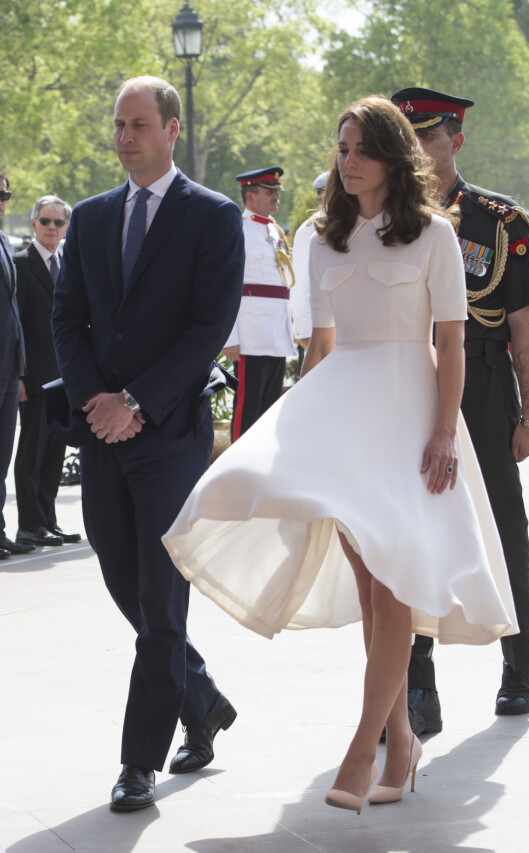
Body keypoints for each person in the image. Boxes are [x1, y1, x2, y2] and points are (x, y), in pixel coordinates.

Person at [164, 95, 517, 813]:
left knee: (390, 584)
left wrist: (445, 430)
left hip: (411, 415)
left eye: (359, 149)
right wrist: (291, 431)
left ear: (391, 157)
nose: (346, 160)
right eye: (341, 147)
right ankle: (401, 735)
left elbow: (449, 343)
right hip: (340, 410)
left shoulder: (435, 238)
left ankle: (364, 751)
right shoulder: (323, 238)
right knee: (367, 582)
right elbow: (319, 346)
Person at [51, 76, 245, 811]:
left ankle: (139, 762)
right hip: (103, 434)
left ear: (170, 129)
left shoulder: (214, 217)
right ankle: (204, 701)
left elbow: (206, 327)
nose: (124, 137)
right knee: (124, 584)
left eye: (138, 124)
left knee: (162, 604)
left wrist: (136, 400)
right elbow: (68, 320)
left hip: (170, 437)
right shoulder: (93, 219)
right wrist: (99, 401)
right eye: (117, 124)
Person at [391, 87, 529, 731]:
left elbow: (522, 327)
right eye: (408, 135)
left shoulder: (499, 221)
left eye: (428, 136)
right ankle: (418, 682)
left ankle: (521, 663)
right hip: (408, 383)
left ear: (456, 140)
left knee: (502, 528)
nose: (418, 148)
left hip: (481, 384)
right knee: (409, 535)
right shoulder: (386, 216)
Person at [14, 194, 81, 548]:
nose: (52, 229)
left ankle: (48, 521)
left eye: (58, 222)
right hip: (34, 377)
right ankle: (29, 524)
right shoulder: (20, 265)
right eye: (45, 221)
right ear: (33, 223)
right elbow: (16, 327)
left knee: (55, 451)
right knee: (32, 452)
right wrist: (20, 376)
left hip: (66, 376)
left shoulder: (69, 263)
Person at [222, 167, 295, 441]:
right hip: (251, 334)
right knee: (247, 408)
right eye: (269, 192)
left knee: (268, 410)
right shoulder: (237, 230)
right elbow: (226, 284)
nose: (276, 197)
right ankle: (238, 469)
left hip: (275, 333)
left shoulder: (274, 230)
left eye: (277, 191)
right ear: (250, 196)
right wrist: (230, 337)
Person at [0, 171, 30, 561]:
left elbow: (12, 312)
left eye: (5, 194)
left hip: (7, 369)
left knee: (2, 456)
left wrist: (20, 371)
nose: (3, 200)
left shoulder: (4, 241)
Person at [290, 170, 329, 351]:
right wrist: (304, 330)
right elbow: (299, 284)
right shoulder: (309, 229)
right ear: (322, 194)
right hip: (318, 325)